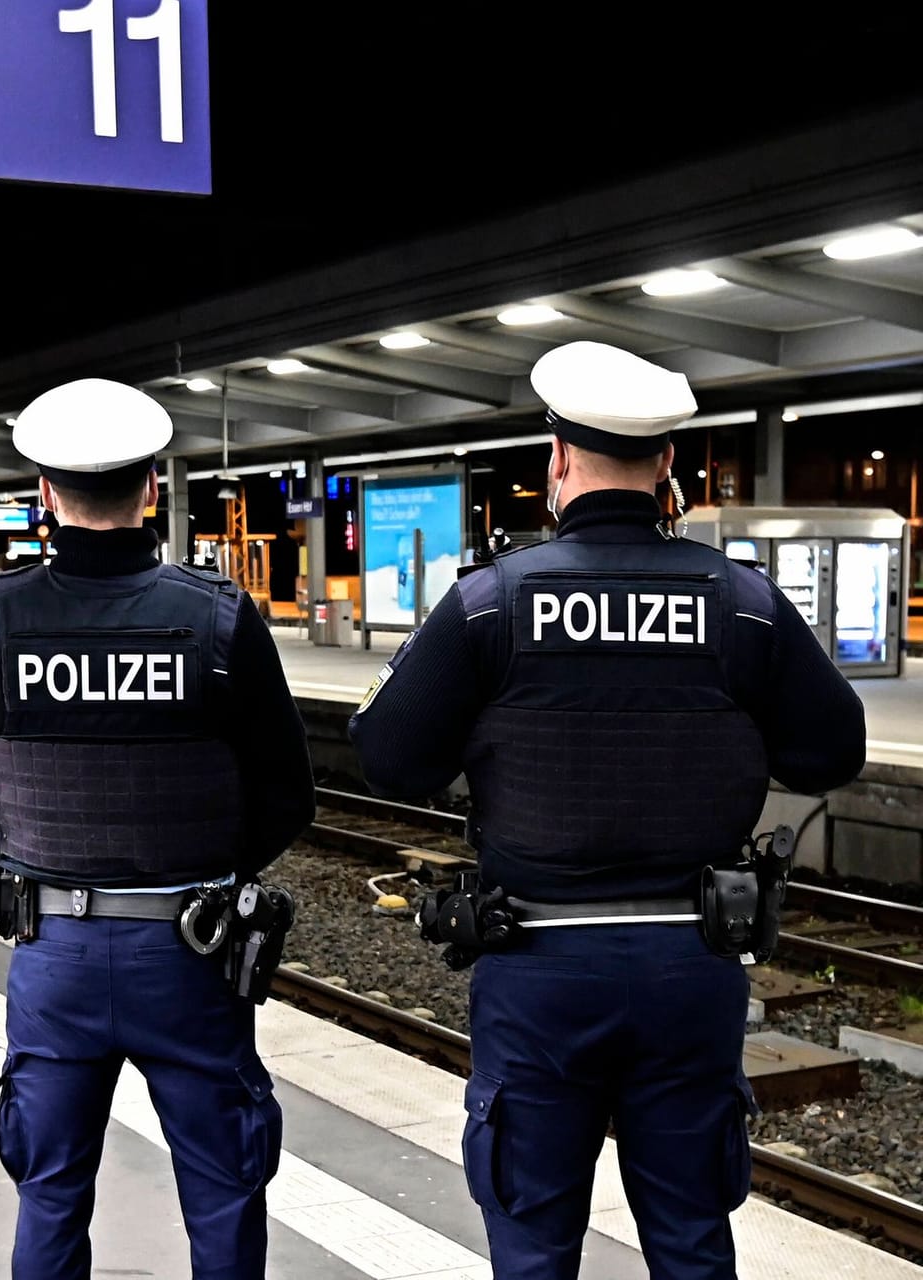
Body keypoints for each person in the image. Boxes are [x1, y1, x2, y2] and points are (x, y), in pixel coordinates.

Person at [349, 340, 866, 1280]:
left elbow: (387, 756)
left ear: (556, 461)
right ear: (667, 464)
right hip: (690, 965)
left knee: (535, 1245)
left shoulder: (490, 604)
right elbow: (834, 750)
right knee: (691, 1242)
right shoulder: (743, 607)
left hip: (539, 968)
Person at [0, 378, 317, 1279]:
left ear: (41, 492)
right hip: (192, 951)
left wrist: (32, 868)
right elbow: (288, 791)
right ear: (154, 487)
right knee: (224, 1189)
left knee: (51, 1191)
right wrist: (208, 871)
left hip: (53, 953)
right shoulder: (217, 619)